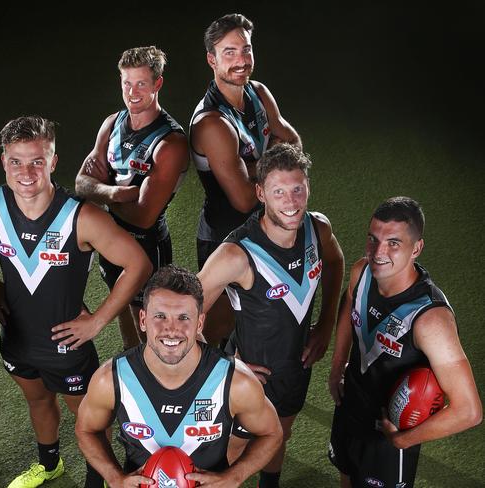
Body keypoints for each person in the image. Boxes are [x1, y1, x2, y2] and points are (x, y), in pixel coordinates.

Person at [0, 116, 152, 488]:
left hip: (68, 346)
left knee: (91, 423)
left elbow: (138, 264)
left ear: (53, 161)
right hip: (16, 339)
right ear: (4, 162)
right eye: (15, 161)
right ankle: (49, 466)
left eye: (37, 160)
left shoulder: (81, 217)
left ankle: (97, 482)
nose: (26, 172)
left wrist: (97, 321)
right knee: (37, 402)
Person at [198, 143, 344, 488]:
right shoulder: (236, 254)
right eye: (279, 191)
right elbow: (180, 317)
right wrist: (223, 366)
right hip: (250, 377)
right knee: (231, 455)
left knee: (279, 434)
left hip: (296, 366)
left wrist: (324, 326)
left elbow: (335, 262)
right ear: (261, 193)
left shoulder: (317, 229)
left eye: (298, 189)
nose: (291, 202)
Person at [75, 265, 282, 488]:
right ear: (143, 319)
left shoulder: (235, 381)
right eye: (160, 316)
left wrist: (235, 476)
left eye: (183, 317)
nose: (171, 329)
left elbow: (271, 433)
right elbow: (86, 429)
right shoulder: (112, 378)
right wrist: (114, 477)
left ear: (199, 322)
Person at [328, 196, 482, 487]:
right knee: (346, 477)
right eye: (373, 240)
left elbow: (469, 410)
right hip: (349, 405)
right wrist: (338, 366)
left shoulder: (430, 320)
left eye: (393, 243)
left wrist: (403, 439)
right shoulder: (361, 273)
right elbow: (350, 304)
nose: (378, 252)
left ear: (417, 248)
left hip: (387, 434)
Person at [190, 13, 302, 349]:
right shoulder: (212, 123)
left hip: (263, 228)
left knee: (261, 312)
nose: (241, 61)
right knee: (217, 327)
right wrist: (273, 165)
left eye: (246, 50)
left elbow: (294, 144)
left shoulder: (258, 91)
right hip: (223, 235)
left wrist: (251, 166)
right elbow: (242, 198)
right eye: (229, 52)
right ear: (212, 59)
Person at [75, 46, 189, 349]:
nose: (132, 92)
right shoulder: (112, 123)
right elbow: (81, 183)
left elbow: (144, 215)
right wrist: (113, 193)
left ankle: (165, 385)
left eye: (141, 83)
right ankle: (132, 366)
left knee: (153, 328)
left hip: (146, 245)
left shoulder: (170, 142)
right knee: (123, 307)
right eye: (127, 83)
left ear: (157, 84)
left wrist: (101, 195)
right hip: (109, 240)